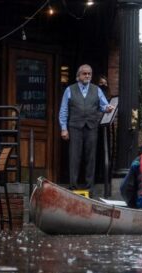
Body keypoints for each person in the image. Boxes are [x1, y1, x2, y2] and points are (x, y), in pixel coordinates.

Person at [59, 64, 114, 194]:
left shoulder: (96, 90)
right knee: (74, 156)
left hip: (91, 127)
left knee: (91, 157)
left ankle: (90, 186)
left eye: (89, 73)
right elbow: (63, 111)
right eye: (84, 73)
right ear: (78, 76)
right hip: (75, 127)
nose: (87, 76)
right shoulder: (69, 90)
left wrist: (108, 108)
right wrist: (63, 128)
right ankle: (73, 185)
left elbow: (103, 106)